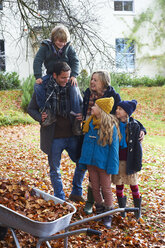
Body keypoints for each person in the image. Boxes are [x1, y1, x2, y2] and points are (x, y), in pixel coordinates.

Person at [28, 62, 85, 201]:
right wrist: (39, 117)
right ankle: (60, 198)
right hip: (54, 137)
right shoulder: (44, 90)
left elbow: (82, 105)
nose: (66, 80)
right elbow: (31, 109)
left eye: (68, 77)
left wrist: (82, 114)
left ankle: (77, 191)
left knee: (82, 163)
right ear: (54, 75)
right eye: (63, 78)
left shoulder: (72, 87)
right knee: (55, 170)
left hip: (73, 135)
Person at [71, 70, 121, 213]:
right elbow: (86, 109)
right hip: (88, 131)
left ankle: (105, 207)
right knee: (87, 166)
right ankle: (90, 201)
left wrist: (140, 128)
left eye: (95, 80)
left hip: (104, 136)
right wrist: (83, 116)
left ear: (104, 82)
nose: (92, 82)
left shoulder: (113, 96)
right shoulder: (88, 93)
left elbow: (123, 114)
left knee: (101, 175)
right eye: (91, 79)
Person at [79, 97, 121, 228]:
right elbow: (86, 144)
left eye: (95, 106)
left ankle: (108, 214)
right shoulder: (90, 123)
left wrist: (112, 167)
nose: (92, 108)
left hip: (103, 165)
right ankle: (100, 211)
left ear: (101, 110)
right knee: (95, 188)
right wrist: (84, 160)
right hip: (91, 163)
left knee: (106, 189)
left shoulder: (110, 126)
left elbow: (114, 149)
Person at [33, 24, 81, 130]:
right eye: (59, 41)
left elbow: (75, 61)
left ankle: (76, 116)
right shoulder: (45, 47)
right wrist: (38, 76)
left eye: (64, 42)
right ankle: (47, 111)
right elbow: (38, 61)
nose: (62, 44)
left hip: (65, 75)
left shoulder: (68, 48)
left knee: (74, 87)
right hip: (51, 74)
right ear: (54, 39)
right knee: (37, 87)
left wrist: (73, 76)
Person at [112, 100, 146, 219]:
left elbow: (138, 148)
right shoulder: (114, 123)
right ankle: (122, 210)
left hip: (130, 161)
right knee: (119, 184)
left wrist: (143, 130)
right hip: (118, 160)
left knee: (133, 185)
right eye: (117, 108)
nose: (117, 111)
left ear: (126, 113)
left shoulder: (134, 125)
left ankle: (137, 211)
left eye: (120, 109)